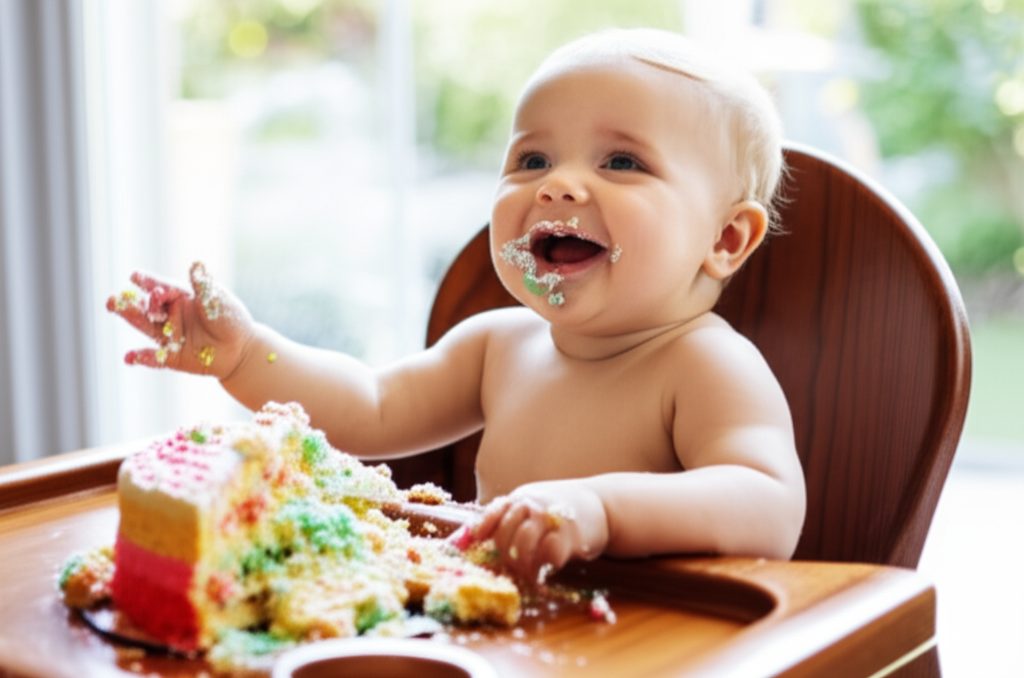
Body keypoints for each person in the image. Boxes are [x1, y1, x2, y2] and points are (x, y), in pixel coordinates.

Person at [108, 28, 806, 584]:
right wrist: (245, 352)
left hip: (649, 648)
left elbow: (767, 503)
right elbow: (371, 407)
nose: (558, 185)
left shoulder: (705, 365)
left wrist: (597, 509)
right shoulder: (500, 347)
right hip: (500, 632)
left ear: (723, 237)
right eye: (531, 161)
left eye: (621, 163)